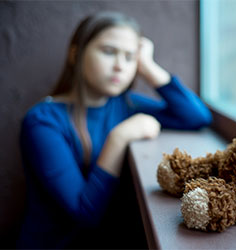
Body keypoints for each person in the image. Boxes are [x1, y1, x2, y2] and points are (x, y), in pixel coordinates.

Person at [17, 11, 212, 248]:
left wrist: (149, 68)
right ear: (75, 55)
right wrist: (119, 138)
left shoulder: (126, 104)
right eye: (109, 52)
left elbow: (197, 117)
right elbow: (84, 213)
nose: (120, 65)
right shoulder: (42, 121)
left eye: (130, 57)